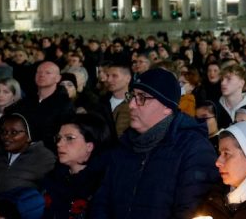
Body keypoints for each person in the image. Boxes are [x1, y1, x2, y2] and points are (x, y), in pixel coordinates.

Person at [90, 68, 221, 218]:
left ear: (166, 106)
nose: (131, 104)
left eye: (141, 98)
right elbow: (102, 200)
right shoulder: (125, 144)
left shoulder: (194, 149)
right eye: (132, 96)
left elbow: (190, 211)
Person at [42, 113, 111, 219]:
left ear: (89, 146)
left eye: (69, 138)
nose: (59, 144)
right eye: (58, 138)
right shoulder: (52, 178)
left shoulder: (104, 184)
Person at [0, 113, 55, 193]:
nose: (6, 136)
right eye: (3, 131)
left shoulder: (44, 158)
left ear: (29, 136)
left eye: (14, 132)